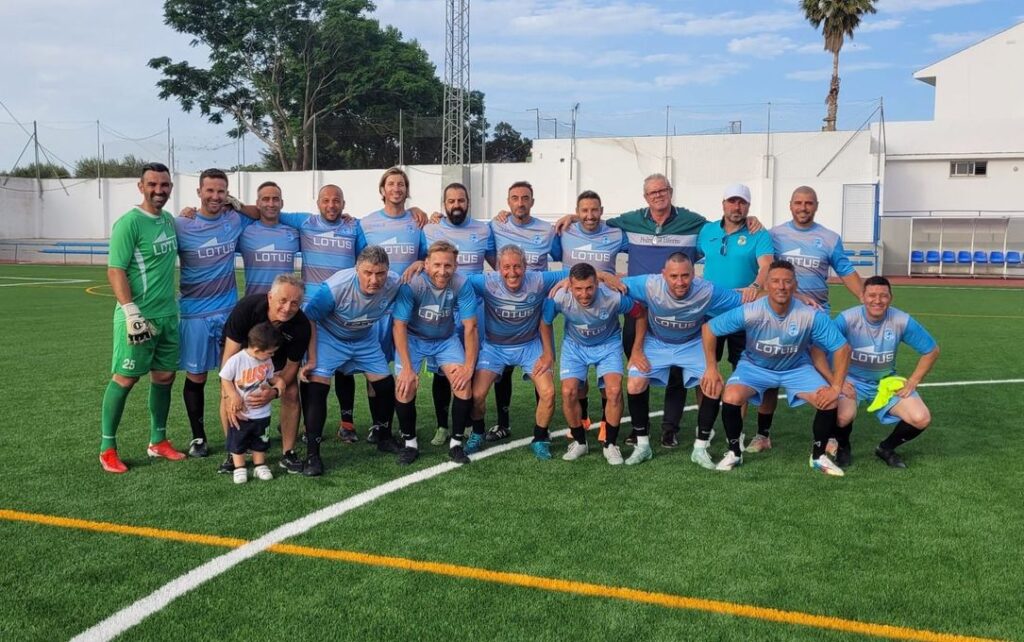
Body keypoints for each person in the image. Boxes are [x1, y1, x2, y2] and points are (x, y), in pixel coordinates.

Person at [701, 260, 852, 476]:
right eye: (775, 281)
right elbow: (709, 328)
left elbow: (842, 348)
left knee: (829, 400)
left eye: (787, 281)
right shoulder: (751, 311)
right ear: (767, 285)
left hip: (796, 369)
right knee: (732, 396)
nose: (781, 286)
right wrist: (711, 368)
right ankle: (734, 452)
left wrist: (836, 387)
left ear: (795, 285)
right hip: (755, 367)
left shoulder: (810, 315)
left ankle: (818, 456)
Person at [754, 186, 865, 452]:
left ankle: (831, 437)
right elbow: (764, 267)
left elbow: (846, 271)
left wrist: (866, 297)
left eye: (808, 203)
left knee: (826, 372)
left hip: (817, 315)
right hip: (780, 314)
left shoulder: (829, 238)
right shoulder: (774, 235)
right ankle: (762, 435)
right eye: (798, 203)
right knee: (772, 370)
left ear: (816, 206)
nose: (803, 208)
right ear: (790, 205)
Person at [99, 162, 185, 473]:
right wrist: (130, 311)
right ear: (141, 187)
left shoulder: (169, 221)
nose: (159, 190)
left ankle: (158, 441)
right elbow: (115, 270)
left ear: (170, 188)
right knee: (125, 378)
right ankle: (107, 448)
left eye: (164, 185)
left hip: (167, 315)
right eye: (152, 184)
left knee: (164, 378)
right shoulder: (129, 223)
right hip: (138, 316)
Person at [620, 253, 742, 467]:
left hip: (692, 344)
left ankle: (700, 448)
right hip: (657, 343)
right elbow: (609, 283)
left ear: (694, 274)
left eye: (685, 276)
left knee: (713, 385)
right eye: (674, 276)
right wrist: (601, 276)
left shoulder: (707, 290)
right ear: (663, 274)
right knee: (635, 383)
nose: (680, 282)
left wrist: (768, 291)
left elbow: (745, 300)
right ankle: (642, 446)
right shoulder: (649, 285)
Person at [301, 246, 403, 476]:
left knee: (386, 385)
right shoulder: (335, 288)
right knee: (317, 387)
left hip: (364, 337)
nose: (374, 280)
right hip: (330, 337)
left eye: (380, 273)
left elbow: (418, 281)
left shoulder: (395, 283)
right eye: (368, 273)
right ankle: (312, 455)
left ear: (388, 271)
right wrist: (313, 357)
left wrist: (418, 264)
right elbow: (309, 317)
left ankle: (384, 437)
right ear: (357, 269)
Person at [175, 168, 251, 458]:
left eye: (221, 191)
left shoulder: (233, 219)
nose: (215, 196)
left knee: (232, 378)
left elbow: (261, 212)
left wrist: (238, 204)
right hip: (194, 315)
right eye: (210, 190)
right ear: (199, 192)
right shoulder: (181, 224)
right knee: (196, 377)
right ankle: (198, 438)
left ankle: (237, 437)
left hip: (228, 312)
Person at [277, 184, 362, 443]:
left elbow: (366, 258)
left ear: (344, 204)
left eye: (336, 201)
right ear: (318, 203)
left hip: (343, 309)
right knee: (309, 369)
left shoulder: (354, 227)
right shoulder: (305, 222)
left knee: (345, 368)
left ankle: (347, 423)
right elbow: (267, 210)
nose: (331, 205)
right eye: (326, 200)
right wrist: (232, 205)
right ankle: (308, 425)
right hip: (310, 312)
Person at [695, 183, 774, 453]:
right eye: (732, 201)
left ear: (748, 206)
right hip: (711, 314)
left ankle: (735, 432)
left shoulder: (758, 233)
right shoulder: (707, 231)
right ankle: (705, 426)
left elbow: (766, 264)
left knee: (742, 372)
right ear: (723, 204)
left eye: (742, 202)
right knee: (706, 369)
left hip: (745, 314)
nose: (736, 207)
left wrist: (756, 285)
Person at [831, 276, 940, 468]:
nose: (878, 300)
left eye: (883, 295)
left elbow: (931, 350)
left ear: (891, 298)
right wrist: (837, 380)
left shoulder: (901, 320)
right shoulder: (847, 319)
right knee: (842, 417)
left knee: (921, 418)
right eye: (872, 295)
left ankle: (886, 448)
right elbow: (821, 347)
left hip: (885, 381)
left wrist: (913, 380)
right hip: (852, 380)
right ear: (862, 297)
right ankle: (843, 446)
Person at [486, 181, 563, 444]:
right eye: (515, 198)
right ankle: (502, 423)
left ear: (532, 201)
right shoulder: (496, 225)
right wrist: (506, 280)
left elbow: (563, 254)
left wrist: (573, 218)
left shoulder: (546, 230)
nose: (520, 202)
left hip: (536, 307)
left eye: (525, 198)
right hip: (506, 302)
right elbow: (489, 255)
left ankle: (542, 428)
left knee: (541, 365)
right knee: (503, 368)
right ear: (508, 202)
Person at [419, 182, 494, 448]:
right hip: (442, 311)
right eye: (451, 201)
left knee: (471, 365)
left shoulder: (484, 229)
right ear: (444, 204)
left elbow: (496, 263)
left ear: (468, 202)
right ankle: (442, 425)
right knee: (441, 370)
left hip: (474, 310)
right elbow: (422, 261)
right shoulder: (429, 229)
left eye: (461, 200)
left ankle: (470, 423)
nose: (456, 205)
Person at [393, 241, 479, 465]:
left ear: (455, 266)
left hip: (445, 340)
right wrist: (407, 369)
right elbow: (399, 325)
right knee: (405, 386)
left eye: (448, 265)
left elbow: (470, 326)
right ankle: (410, 444)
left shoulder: (462, 284)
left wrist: (469, 367)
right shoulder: (412, 283)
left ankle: (456, 444)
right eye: (437, 265)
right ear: (426, 264)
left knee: (463, 383)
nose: (442, 271)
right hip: (414, 339)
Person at [542, 262, 637, 465]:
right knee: (568, 392)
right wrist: (549, 354)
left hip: (608, 345)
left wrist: (637, 349)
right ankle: (579, 442)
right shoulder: (560, 297)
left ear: (597, 284)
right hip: (575, 346)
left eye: (589, 288)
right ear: (570, 285)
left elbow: (640, 313)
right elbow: (545, 321)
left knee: (614, 391)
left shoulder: (613, 297)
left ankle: (610, 444)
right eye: (578, 288)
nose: (584, 294)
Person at [220, 273, 314, 474]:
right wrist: (230, 395)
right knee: (231, 393)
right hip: (243, 353)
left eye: (294, 303)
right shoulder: (247, 308)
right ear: (270, 296)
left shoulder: (301, 326)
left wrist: (274, 392)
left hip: (275, 358)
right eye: (283, 300)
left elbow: (291, 367)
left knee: (291, 392)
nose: (287, 308)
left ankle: (288, 453)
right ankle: (234, 451)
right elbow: (229, 358)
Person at [557, 190, 629, 437]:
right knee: (578, 381)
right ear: (577, 212)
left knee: (609, 382)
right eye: (584, 211)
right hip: (576, 304)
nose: (590, 215)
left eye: (594, 210)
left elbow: (642, 250)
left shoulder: (616, 234)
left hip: (604, 306)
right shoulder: (565, 232)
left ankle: (606, 423)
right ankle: (583, 417)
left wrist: (617, 277)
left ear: (602, 211)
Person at [219, 322, 286, 484]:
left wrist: (279, 382)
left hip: (262, 412)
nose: (272, 355)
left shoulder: (266, 361)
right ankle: (239, 467)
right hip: (242, 412)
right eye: (270, 352)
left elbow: (270, 377)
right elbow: (225, 378)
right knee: (238, 441)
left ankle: (259, 465)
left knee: (260, 440)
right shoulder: (237, 360)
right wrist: (233, 396)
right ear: (256, 350)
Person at [237, 181, 299, 296]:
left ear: (282, 203)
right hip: (254, 302)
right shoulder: (244, 232)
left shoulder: (294, 233)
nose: (271, 204)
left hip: (284, 303)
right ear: (258, 204)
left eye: (275, 199)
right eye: (266, 199)